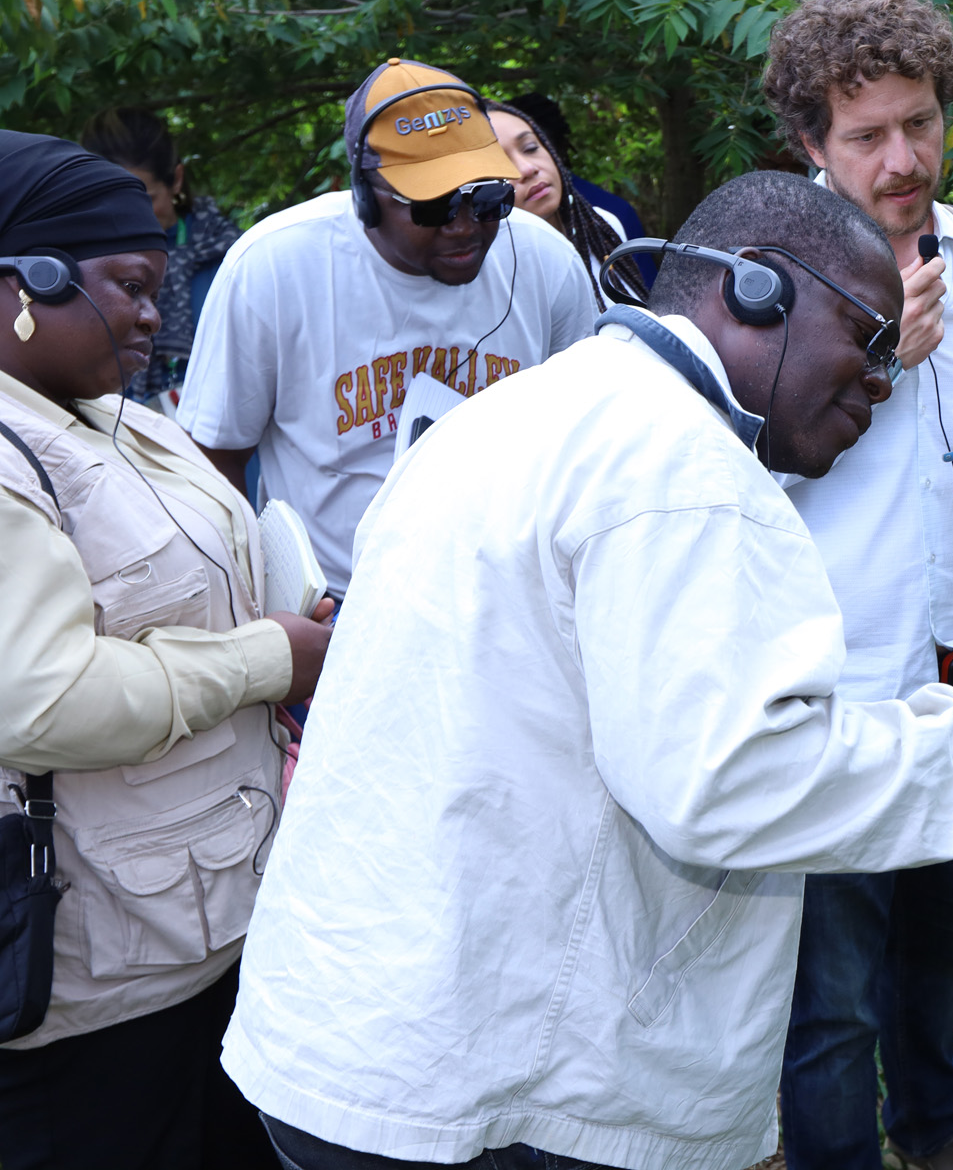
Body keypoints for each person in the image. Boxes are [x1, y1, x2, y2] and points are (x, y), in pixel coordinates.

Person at [221, 171, 953, 1170]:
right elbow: (731, 778)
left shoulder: (521, 411)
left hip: (356, 1040)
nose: (884, 382)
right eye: (870, 340)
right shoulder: (683, 472)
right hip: (488, 1099)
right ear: (757, 289)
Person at [760, 0, 953, 1170]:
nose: (902, 157)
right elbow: (737, 481)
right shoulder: (762, 277)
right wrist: (880, 361)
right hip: (837, 675)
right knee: (830, 984)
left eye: (921, 122)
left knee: (944, 931)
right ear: (809, 143)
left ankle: (935, 1124)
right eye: (867, 133)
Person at [0, 131, 333, 1169]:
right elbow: (38, 698)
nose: (155, 310)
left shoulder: (116, 416)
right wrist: (266, 659)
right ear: (25, 284)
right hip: (92, 981)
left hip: (208, 937)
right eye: (129, 284)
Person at [175, 57, 599, 599]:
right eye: (434, 207)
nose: (466, 225)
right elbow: (215, 457)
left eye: (488, 199)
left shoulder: (546, 262)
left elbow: (582, 445)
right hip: (343, 609)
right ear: (366, 196)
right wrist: (261, 612)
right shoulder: (273, 268)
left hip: (508, 599)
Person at [78, 106, 243, 411]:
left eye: (145, 198)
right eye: (111, 198)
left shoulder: (229, 258)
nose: (129, 213)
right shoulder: (75, 261)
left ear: (176, 180)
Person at [484, 99, 648, 308]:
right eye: (501, 164)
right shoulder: (492, 270)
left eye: (530, 148)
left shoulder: (604, 226)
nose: (527, 169)